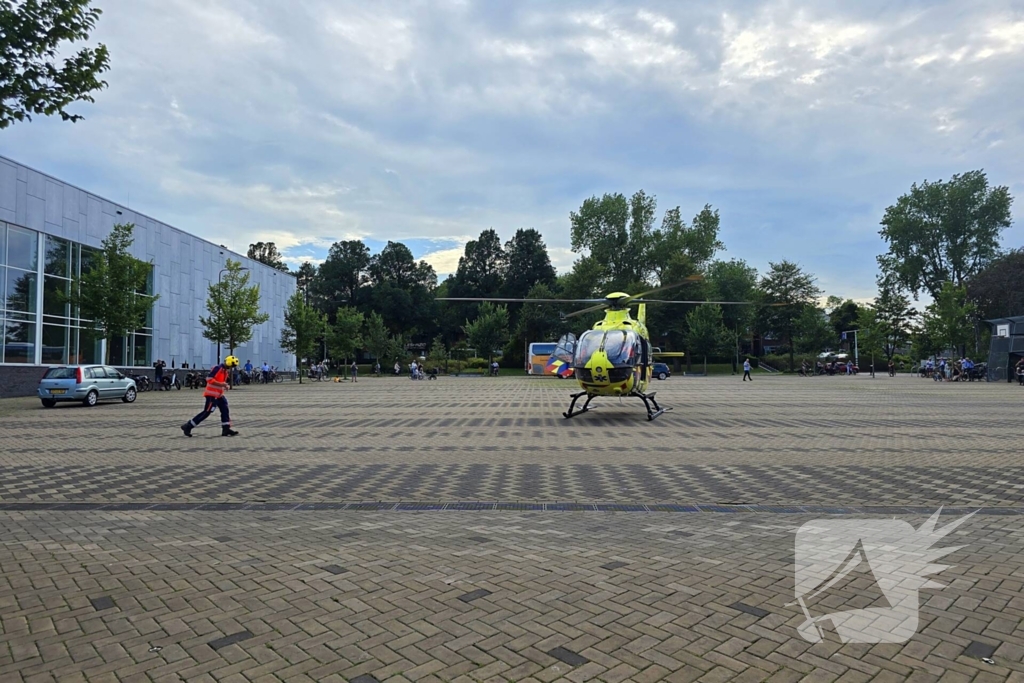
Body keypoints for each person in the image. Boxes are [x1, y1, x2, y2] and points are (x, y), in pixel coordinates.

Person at [181, 356, 240, 437]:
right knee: (207, 412)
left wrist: (225, 386)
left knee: (225, 409)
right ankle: (188, 426)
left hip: (219, 395)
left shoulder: (225, 371)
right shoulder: (218, 368)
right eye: (231, 366)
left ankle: (226, 428)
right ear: (228, 363)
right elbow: (209, 379)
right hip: (212, 395)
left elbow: (220, 381)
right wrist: (221, 384)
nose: (231, 368)